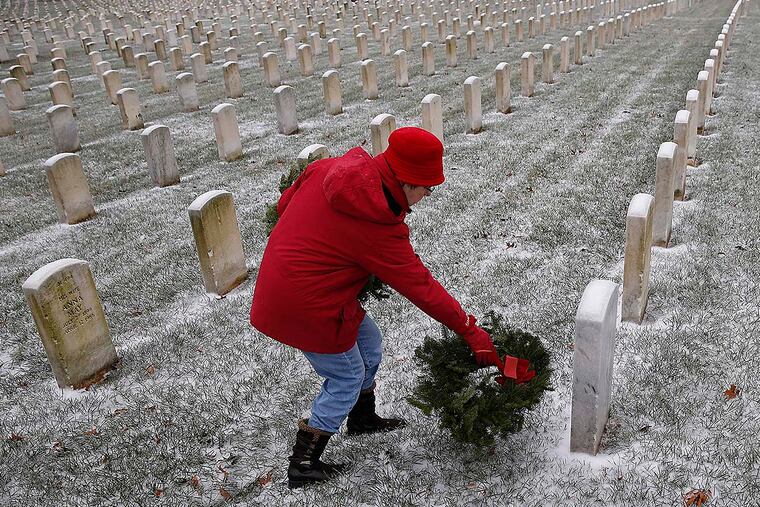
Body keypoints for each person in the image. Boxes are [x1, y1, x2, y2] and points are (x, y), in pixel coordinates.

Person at [250, 127, 505, 489]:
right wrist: (469, 329)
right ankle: (304, 462)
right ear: (406, 182)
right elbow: (422, 288)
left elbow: (283, 205)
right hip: (304, 303)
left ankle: (362, 418)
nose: (429, 194)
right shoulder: (376, 226)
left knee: (369, 342)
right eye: (427, 188)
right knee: (346, 375)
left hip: (296, 283)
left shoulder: (329, 169)